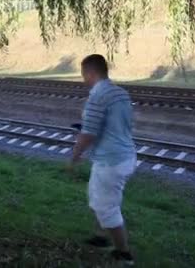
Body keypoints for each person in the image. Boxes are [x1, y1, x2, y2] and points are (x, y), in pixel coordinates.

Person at [70, 54, 137, 266]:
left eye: (83, 75)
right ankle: (100, 237)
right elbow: (117, 123)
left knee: (106, 207)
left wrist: (74, 157)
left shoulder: (97, 96)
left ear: (90, 73)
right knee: (96, 195)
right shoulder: (121, 93)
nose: (83, 80)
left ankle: (124, 253)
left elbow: (88, 133)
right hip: (125, 155)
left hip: (111, 161)